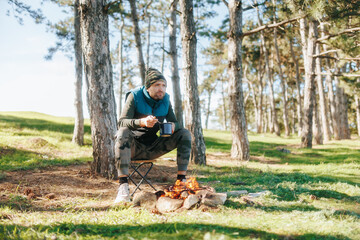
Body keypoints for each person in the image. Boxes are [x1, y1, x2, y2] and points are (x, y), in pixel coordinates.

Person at [114, 68, 192, 203]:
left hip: (154, 147)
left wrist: (174, 126)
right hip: (133, 148)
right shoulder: (135, 96)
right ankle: (123, 187)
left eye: (163, 85)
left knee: (184, 133)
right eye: (157, 85)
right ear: (148, 87)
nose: (161, 89)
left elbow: (176, 122)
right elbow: (122, 122)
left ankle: (181, 182)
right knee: (123, 132)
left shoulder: (166, 99)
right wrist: (141, 122)